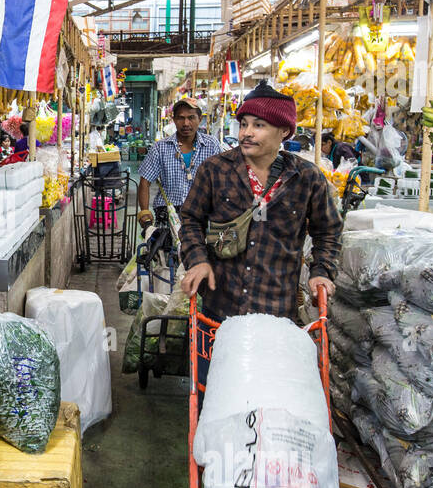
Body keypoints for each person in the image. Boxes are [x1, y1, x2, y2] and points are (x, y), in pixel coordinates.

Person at [179, 81, 343, 391]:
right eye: (243, 124)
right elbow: (190, 219)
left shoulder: (307, 178)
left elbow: (328, 230)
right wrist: (198, 260)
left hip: (276, 314)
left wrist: (321, 271)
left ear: (284, 132)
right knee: (211, 391)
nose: (246, 132)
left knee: (264, 395)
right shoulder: (215, 170)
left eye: (259, 125)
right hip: (219, 312)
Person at [138, 98, 221, 230]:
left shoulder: (212, 145)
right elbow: (145, 181)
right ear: (174, 119)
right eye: (181, 118)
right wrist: (144, 212)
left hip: (201, 214)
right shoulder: (160, 148)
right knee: (166, 249)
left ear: (200, 119)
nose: (186, 123)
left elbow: (222, 180)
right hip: (168, 215)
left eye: (191, 117)